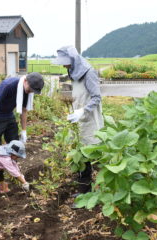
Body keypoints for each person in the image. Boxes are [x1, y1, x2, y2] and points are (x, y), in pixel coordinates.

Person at [53, 46, 104, 197]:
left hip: (89, 119)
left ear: (73, 59)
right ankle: (84, 191)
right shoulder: (73, 71)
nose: (64, 65)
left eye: (65, 62)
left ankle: (100, 191)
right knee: (81, 156)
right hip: (79, 118)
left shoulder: (89, 73)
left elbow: (96, 97)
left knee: (93, 155)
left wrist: (83, 110)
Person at [0, 72, 44, 187]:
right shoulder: (9, 85)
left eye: (33, 90)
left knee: (15, 144)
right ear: (25, 81)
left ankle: (14, 171)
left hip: (8, 114)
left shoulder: (27, 91)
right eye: (30, 89)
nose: (31, 91)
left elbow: (24, 110)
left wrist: (24, 130)